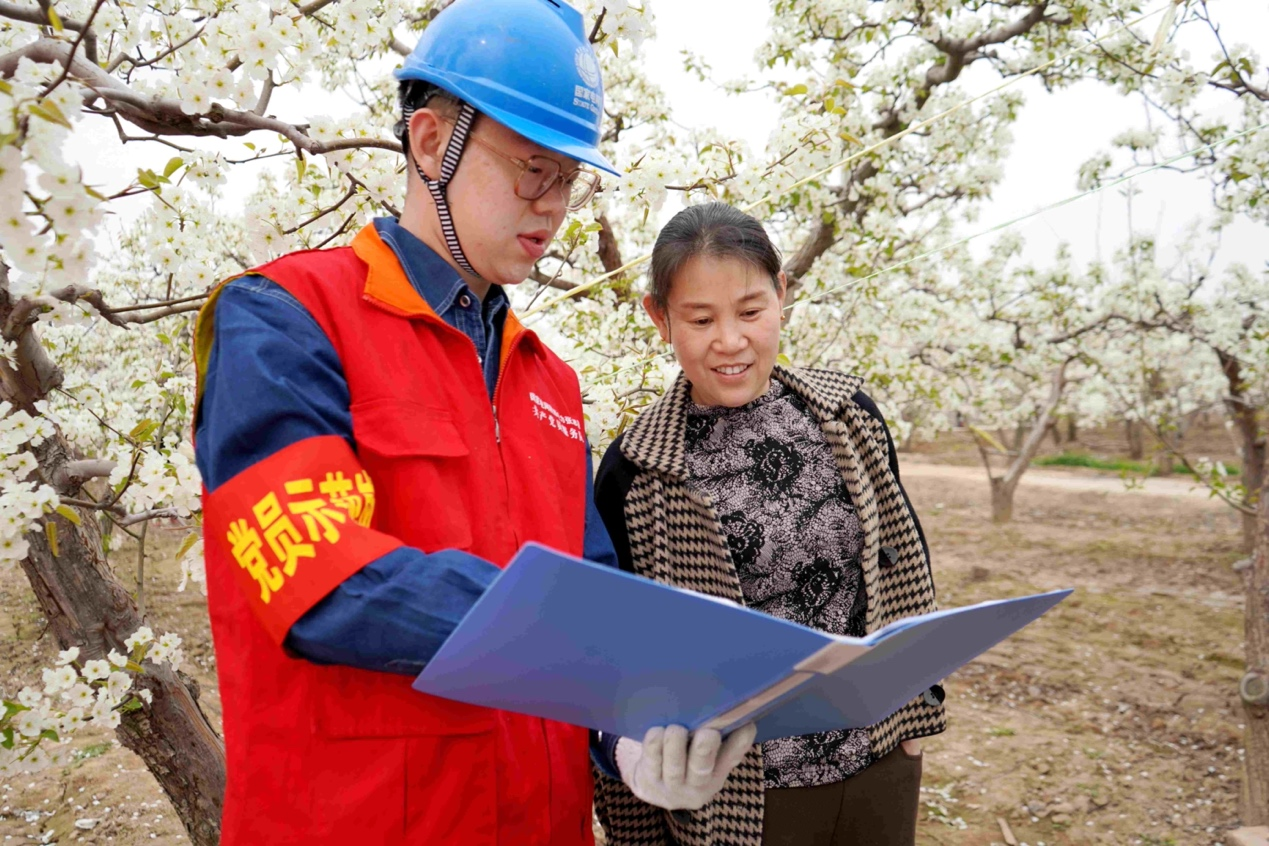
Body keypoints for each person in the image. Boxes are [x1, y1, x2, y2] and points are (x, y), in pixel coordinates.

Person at [192, 2, 748, 843]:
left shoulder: (550, 382)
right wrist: (588, 637)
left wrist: (631, 727)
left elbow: (591, 587)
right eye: (532, 170)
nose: (554, 205)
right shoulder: (284, 317)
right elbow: (318, 580)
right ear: (428, 143)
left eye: (568, 177)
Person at [590, 202, 948, 846]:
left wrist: (920, 712)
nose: (730, 341)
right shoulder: (634, 473)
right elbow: (625, 669)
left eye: (751, 311)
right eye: (700, 319)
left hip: (878, 760)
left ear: (782, 296)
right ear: (659, 318)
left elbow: (903, 566)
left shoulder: (849, 416)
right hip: (738, 795)